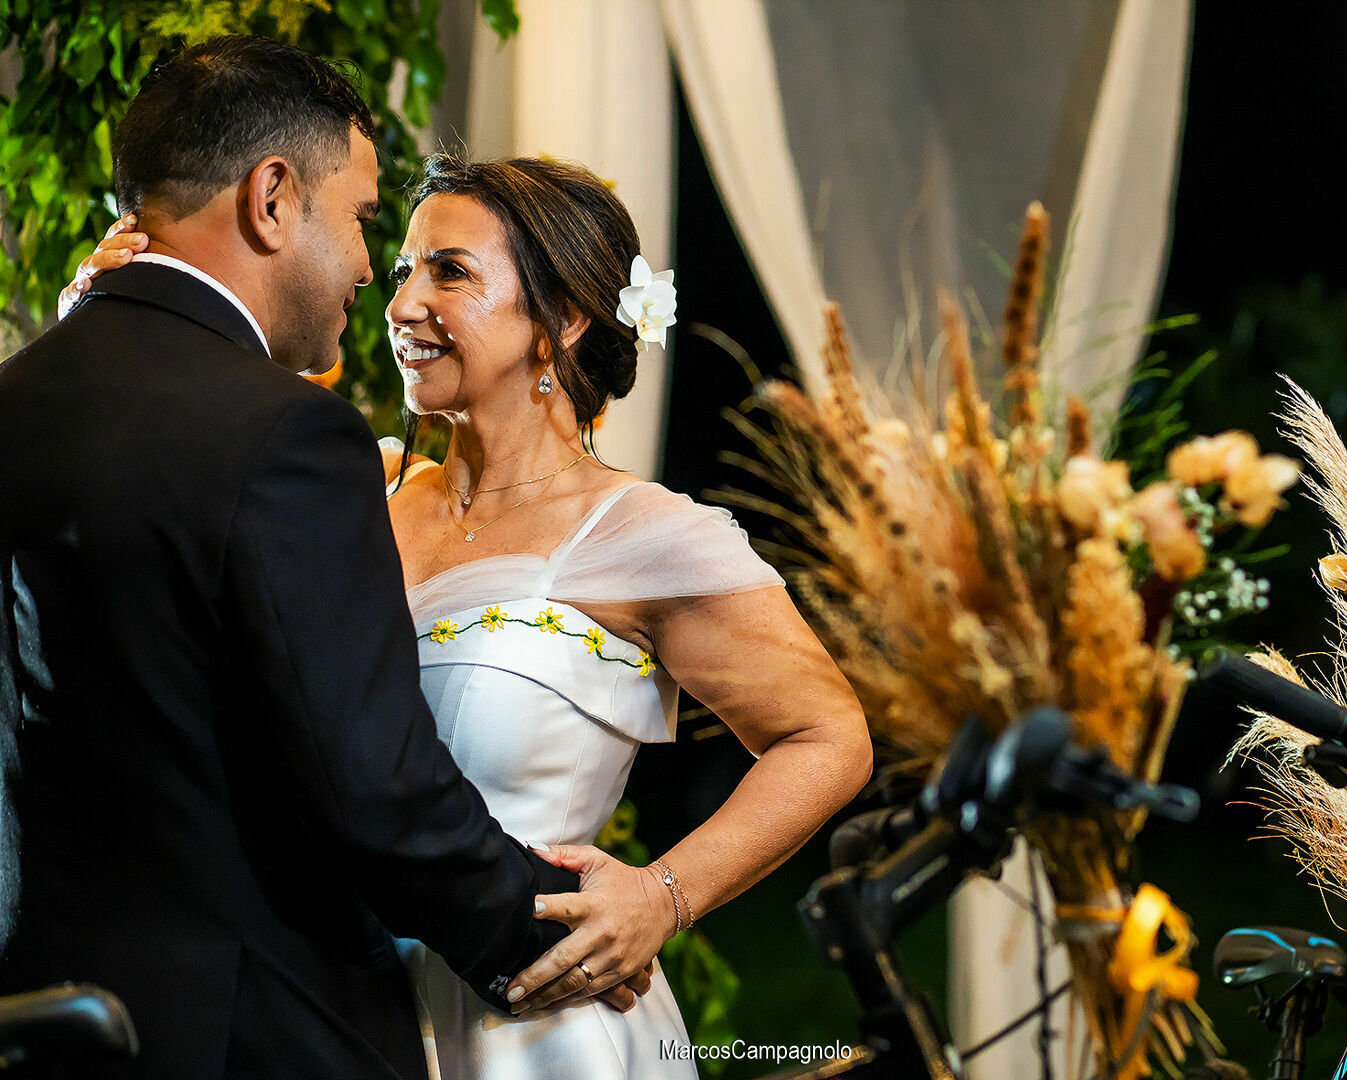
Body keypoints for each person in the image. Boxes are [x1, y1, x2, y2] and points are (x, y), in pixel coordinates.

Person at [70, 151, 876, 1078]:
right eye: (405, 266)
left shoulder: (645, 535)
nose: (403, 300)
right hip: (325, 1015)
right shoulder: (351, 495)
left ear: (563, 319)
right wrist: (112, 330)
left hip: (540, 1027)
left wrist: (664, 896)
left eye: (449, 271)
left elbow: (828, 736)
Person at [0, 37, 642, 1080]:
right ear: (270, 198)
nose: (363, 272)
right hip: (251, 1037)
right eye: (357, 220)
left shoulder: (17, 402)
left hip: (42, 1028)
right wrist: (550, 931)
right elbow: (374, 789)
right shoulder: (287, 436)